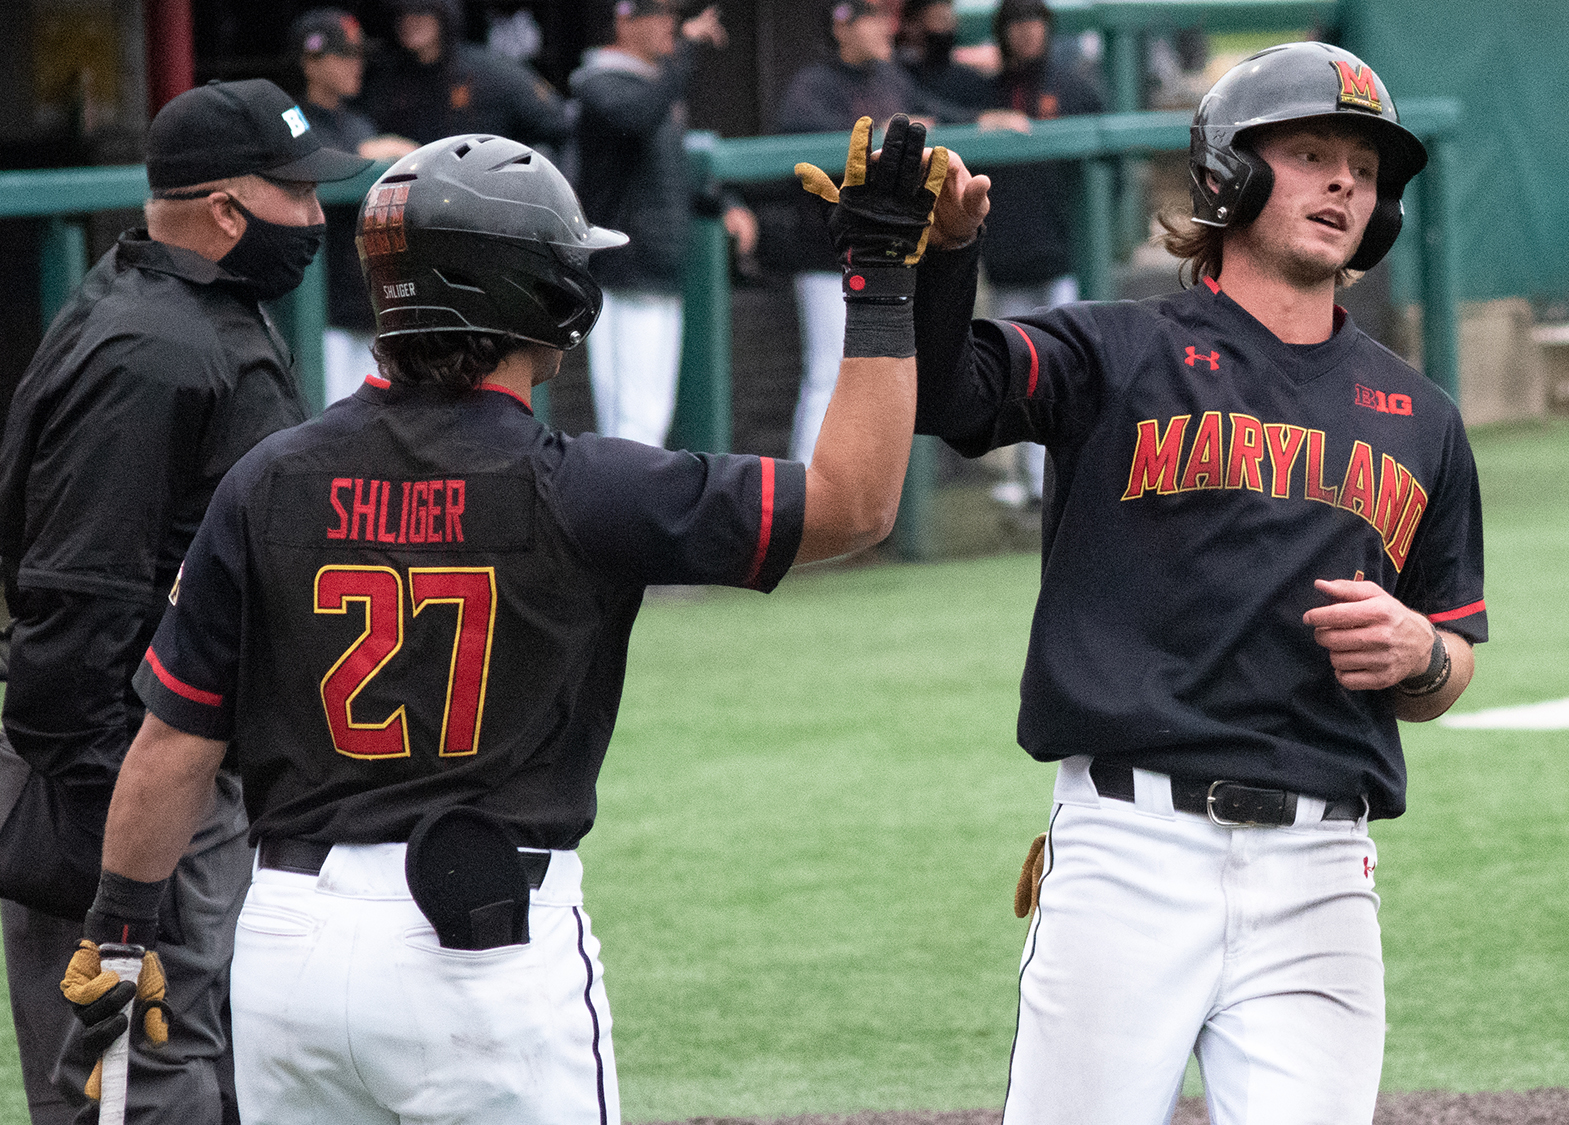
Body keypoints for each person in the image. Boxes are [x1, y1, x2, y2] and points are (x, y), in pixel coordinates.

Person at [61, 118, 974, 1124]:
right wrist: (881, 273)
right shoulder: (584, 489)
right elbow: (856, 503)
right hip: (481, 959)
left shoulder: (268, 480)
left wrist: (119, 932)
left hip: (286, 952)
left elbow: (174, 742)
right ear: (533, 294)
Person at [911, 43, 1486, 1125]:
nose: (1342, 186)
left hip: (1322, 869)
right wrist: (944, 258)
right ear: (1227, 174)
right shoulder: (1117, 353)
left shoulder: (1421, 421)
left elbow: (1451, 657)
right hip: (1130, 851)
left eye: (1362, 169)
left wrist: (1419, 652)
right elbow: (950, 395)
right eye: (1311, 154)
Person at [0, 78, 371, 1125]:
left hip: (170, 780)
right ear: (224, 210)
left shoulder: (176, 309)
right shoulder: (157, 352)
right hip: (133, 788)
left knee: (206, 1075)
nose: (314, 216)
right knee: (135, 1087)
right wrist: (119, 844)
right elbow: (77, 604)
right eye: (297, 193)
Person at [773, 0, 963, 465]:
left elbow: (936, 112)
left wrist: (983, 118)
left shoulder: (891, 77)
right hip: (826, 252)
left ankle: (853, 485)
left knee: (880, 371)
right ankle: (804, 484)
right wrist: (877, 134)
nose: (884, 28)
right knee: (827, 372)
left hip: (887, 253)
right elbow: (797, 132)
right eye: (871, 19)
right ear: (843, 27)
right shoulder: (813, 85)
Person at [571, 0, 756, 445]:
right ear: (625, 20)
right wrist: (683, 56)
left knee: (649, 418)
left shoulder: (656, 86)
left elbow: (673, 169)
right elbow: (635, 117)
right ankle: (615, 514)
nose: (669, 25)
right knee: (629, 425)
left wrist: (722, 203)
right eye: (656, 15)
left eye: (671, 16)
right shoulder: (599, 82)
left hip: (658, 265)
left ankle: (622, 512)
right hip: (618, 268)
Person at [977, 0, 1102, 509]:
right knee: (1019, 375)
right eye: (1017, 24)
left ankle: (1079, 482)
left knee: (1074, 370)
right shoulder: (985, 92)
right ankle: (1034, 486)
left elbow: (1108, 179)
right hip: (1008, 257)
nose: (1027, 33)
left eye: (1034, 23)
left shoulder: (1073, 87)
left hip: (1064, 255)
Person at [290, 7, 420, 403]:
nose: (356, 64)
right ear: (310, 62)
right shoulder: (292, 118)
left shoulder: (358, 122)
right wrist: (367, 153)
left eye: (358, 54)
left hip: (368, 300)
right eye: (344, 55)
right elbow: (315, 162)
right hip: (318, 308)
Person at [361, 0, 570, 149]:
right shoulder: (387, 80)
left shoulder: (491, 71)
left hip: (487, 190)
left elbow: (559, 125)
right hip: (417, 193)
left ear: (444, 13)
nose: (409, 21)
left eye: (421, 11)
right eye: (401, 13)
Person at [895, 0, 991, 114]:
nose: (948, 27)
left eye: (949, 19)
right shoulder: (897, 75)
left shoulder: (970, 80)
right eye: (939, 19)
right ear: (913, 25)